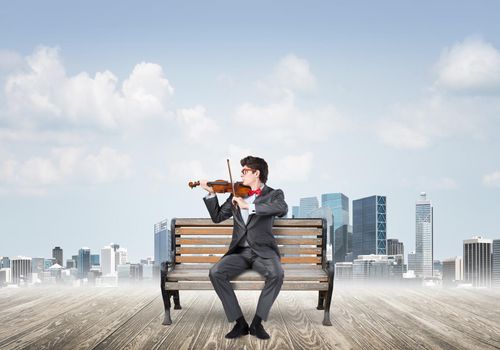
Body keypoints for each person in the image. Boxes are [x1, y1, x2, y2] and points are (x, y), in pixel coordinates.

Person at [199, 156, 288, 339]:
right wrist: (211, 194)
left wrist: (248, 206)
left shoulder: (274, 194)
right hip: (239, 252)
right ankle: (240, 323)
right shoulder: (236, 193)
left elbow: (281, 208)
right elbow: (217, 217)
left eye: (245, 171)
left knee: (277, 274)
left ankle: (257, 323)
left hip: (263, 252)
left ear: (256, 173)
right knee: (216, 272)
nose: (241, 174)